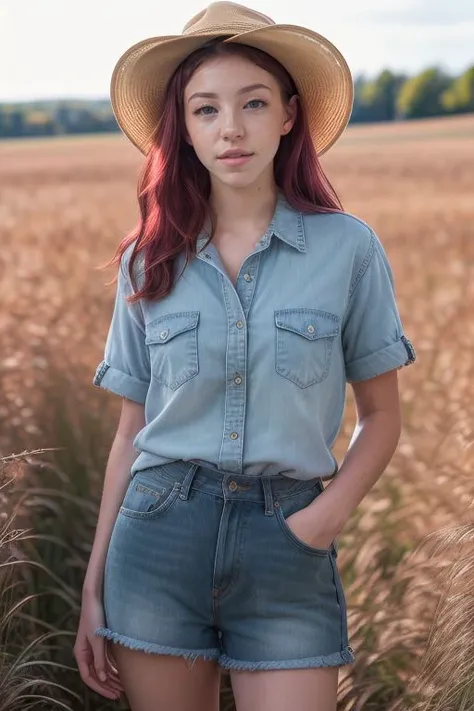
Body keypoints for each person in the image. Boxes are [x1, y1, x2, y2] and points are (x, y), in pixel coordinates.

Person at [74, 2, 416, 710]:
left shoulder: (348, 248)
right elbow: (130, 430)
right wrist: (93, 582)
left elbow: (381, 416)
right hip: (158, 538)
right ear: (185, 129)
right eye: (206, 110)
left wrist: (324, 518)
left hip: (287, 541)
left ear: (289, 115)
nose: (231, 128)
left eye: (253, 103)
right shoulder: (147, 260)